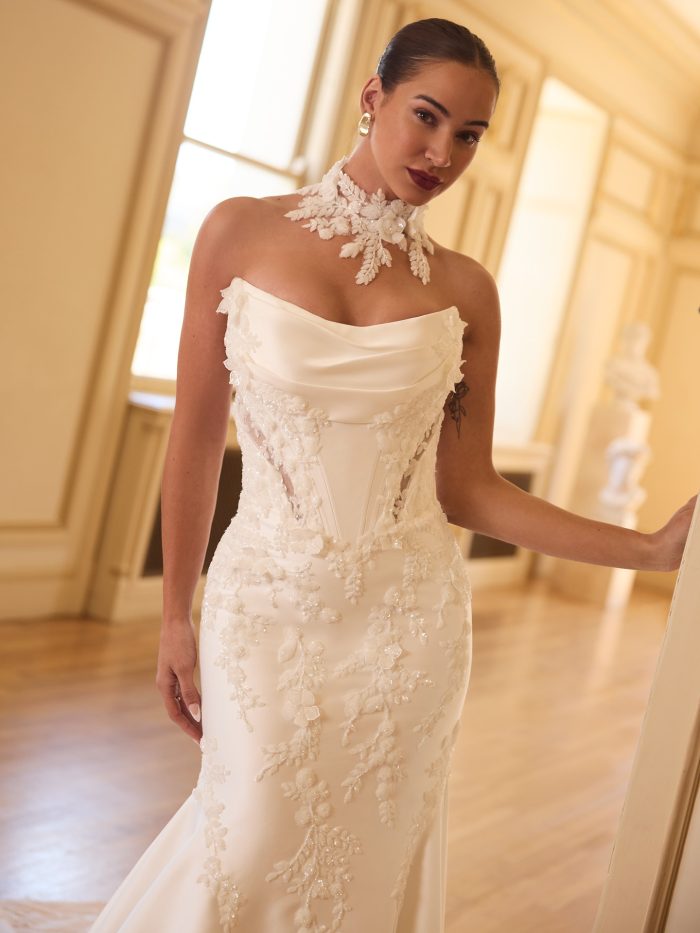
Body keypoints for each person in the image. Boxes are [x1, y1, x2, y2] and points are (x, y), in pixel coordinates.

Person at [89, 16, 696, 933]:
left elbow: (472, 491)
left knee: (367, 865)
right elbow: (195, 437)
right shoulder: (238, 232)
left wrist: (650, 549)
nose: (442, 151)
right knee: (246, 840)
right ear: (372, 98)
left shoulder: (468, 293)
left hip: (407, 630)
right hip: (266, 614)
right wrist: (176, 613)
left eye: (469, 135)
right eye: (426, 115)